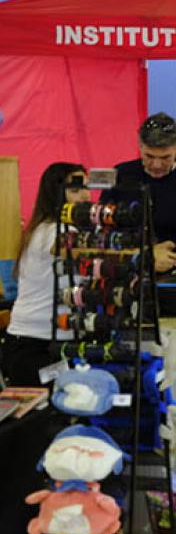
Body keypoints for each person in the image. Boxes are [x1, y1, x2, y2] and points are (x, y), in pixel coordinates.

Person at [1, 163, 87, 386]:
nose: (85, 196)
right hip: (38, 344)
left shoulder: (39, 229)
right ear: (56, 194)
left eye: (86, 188)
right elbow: (61, 248)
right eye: (75, 190)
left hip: (34, 342)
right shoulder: (58, 231)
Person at [110, 113, 176, 272]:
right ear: (140, 146)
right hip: (125, 265)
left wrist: (172, 248)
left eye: (166, 158)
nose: (157, 165)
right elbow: (102, 223)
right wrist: (143, 254)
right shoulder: (121, 175)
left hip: (175, 267)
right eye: (149, 156)